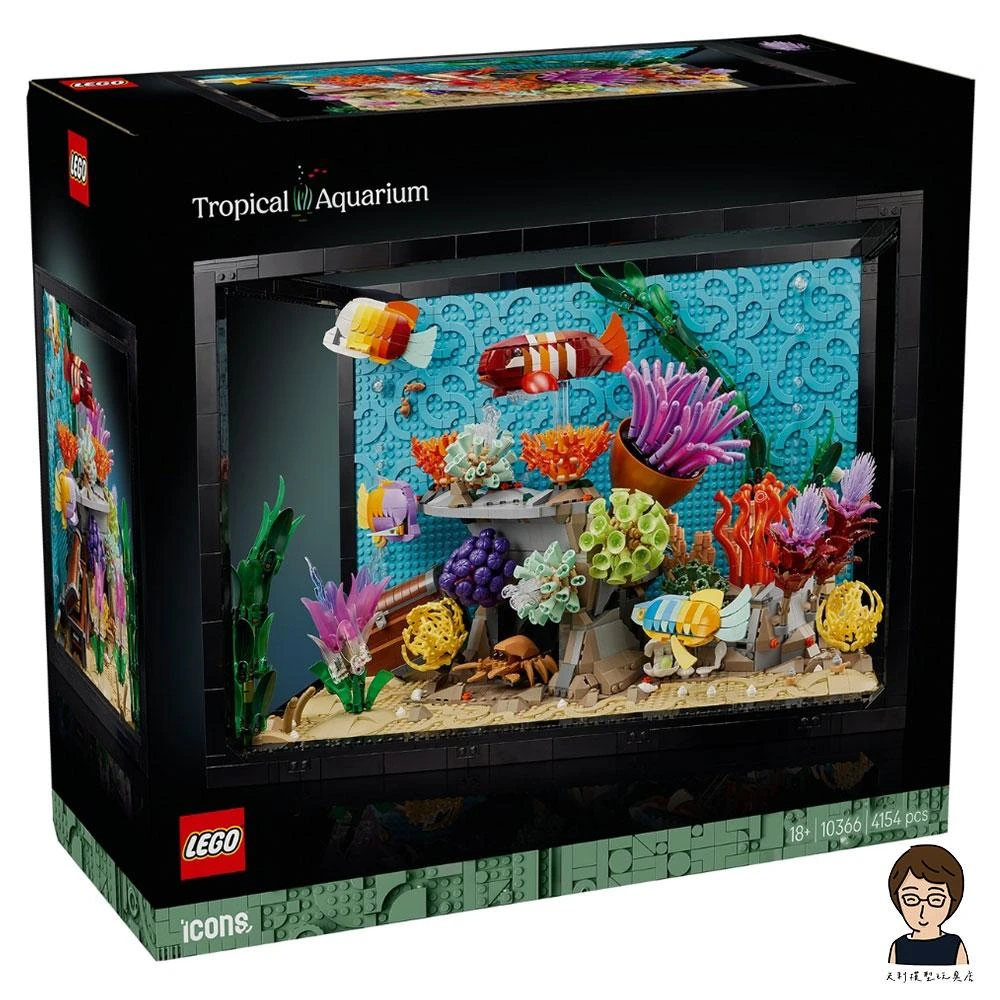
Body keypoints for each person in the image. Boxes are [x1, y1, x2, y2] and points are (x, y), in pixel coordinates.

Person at [888, 844, 968, 965]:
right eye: (911, 899)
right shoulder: (898, 947)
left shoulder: (955, 945)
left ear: (952, 899)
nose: (922, 912)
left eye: (935, 900)